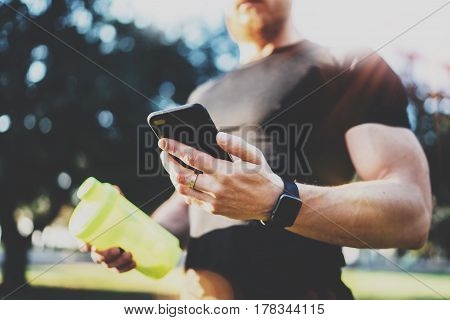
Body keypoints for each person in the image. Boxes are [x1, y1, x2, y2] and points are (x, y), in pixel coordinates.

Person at [86, 0, 432, 299]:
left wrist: (277, 200)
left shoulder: (350, 64)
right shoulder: (202, 95)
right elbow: (194, 198)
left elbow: (412, 210)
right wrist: (129, 232)